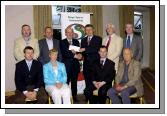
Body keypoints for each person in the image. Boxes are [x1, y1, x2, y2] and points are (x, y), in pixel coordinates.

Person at [60, 27, 82, 102]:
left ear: (73, 33)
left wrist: (80, 55)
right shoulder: (62, 42)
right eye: (68, 32)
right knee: (65, 83)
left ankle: (75, 97)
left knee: (74, 83)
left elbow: (79, 52)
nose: (69, 34)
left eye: (71, 32)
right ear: (65, 33)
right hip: (66, 66)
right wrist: (75, 55)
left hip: (75, 66)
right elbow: (65, 52)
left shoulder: (76, 42)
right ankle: (65, 98)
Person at [80, 24, 102, 89]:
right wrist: (79, 54)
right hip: (86, 65)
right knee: (87, 82)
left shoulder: (98, 39)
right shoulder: (83, 40)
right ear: (85, 31)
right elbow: (83, 52)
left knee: (96, 82)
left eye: (90, 29)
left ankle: (96, 98)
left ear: (93, 30)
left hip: (95, 64)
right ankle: (88, 98)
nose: (88, 31)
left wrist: (85, 49)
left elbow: (96, 48)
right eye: (87, 30)